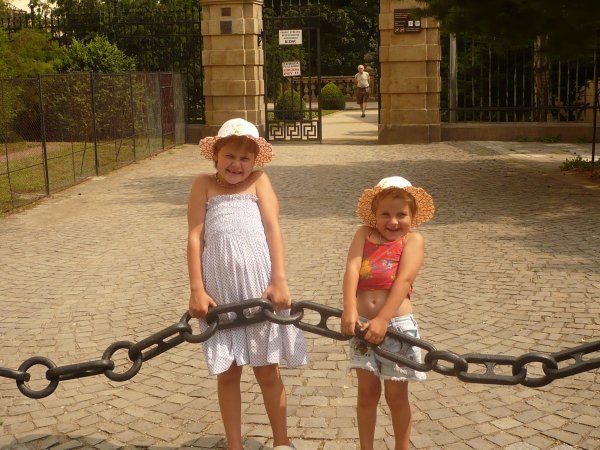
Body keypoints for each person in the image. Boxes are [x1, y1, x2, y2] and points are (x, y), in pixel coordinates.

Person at [187, 118, 306, 450]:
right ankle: (234, 445)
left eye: (245, 158)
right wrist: (197, 288)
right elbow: (195, 237)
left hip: (258, 290)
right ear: (216, 155)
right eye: (229, 156)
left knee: (267, 370)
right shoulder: (203, 185)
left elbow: (273, 230)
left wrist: (279, 280)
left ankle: (282, 442)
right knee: (228, 373)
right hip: (220, 293)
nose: (236, 164)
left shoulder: (259, 182)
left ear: (255, 161)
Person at [340, 176, 434, 450]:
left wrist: (383, 319)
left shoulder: (413, 240)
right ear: (374, 214)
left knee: (396, 395)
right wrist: (349, 308)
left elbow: (404, 280)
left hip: (397, 325)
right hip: (362, 324)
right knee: (367, 393)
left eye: (401, 214)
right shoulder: (363, 234)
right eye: (385, 214)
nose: (393, 221)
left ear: (412, 216)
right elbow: (352, 268)